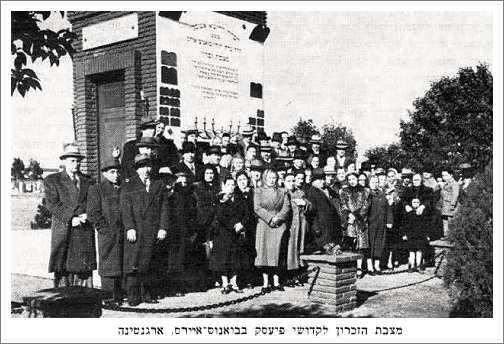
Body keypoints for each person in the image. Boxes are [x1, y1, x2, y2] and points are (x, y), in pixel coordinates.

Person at [120, 153, 169, 306]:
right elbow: (125, 209)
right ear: (137, 169)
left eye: (148, 166)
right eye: (142, 167)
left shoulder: (158, 185)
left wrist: (163, 227)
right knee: (134, 263)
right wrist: (130, 228)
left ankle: (148, 293)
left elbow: (164, 209)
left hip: (153, 230)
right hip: (137, 230)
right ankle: (133, 295)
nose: (146, 170)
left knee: (150, 263)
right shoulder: (129, 185)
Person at [44, 143, 96, 288]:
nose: (76, 164)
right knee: (63, 268)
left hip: (83, 230)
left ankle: (85, 303)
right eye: (72, 160)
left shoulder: (89, 180)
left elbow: (94, 201)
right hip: (64, 229)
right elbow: (53, 204)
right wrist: (71, 218)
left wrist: (89, 214)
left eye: (78, 160)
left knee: (83, 270)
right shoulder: (52, 180)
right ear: (64, 161)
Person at [87, 157, 123, 305]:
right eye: (112, 172)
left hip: (123, 232)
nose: (116, 175)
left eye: (118, 171)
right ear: (105, 173)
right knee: (109, 263)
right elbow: (93, 213)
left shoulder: (124, 188)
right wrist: (105, 230)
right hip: (107, 234)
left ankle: (120, 294)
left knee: (121, 262)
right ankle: (108, 296)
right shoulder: (97, 189)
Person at [209, 177, 250, 294]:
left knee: (235, 258)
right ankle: (225, 283)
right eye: (229, 184)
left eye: (233, 184)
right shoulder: (219, 199)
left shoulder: (240, 198)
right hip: (223, 233)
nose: (231, 187)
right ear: (224, 185)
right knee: (223, 258)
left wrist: (241, 224)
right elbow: (220, 215)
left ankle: (234, 282)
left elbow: (247, 213)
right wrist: (234, 225)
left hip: (237, 233)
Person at [254, 169, 291, 292]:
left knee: (277, 253)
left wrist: (278, 218)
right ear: (264, 178)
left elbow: (286, 207)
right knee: (264, 254)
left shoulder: (283, 191)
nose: (272, 180)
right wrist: (270, 218)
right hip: (264, 225)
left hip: (278, 226)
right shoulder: (258, 191)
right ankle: (265, 283)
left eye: (274, 177)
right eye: (269, 177)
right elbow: (257, 208)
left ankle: (276, 281)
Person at [193, 165, 220, 289]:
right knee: (202, 254)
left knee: (214, 253)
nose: (210, 175)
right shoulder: (198, 187)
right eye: (207, 173)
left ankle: (215, 279)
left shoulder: (217, 188)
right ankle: (202, 282)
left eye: (212, 173)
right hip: (202, 225)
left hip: (214, 224)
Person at [339, 172, 370, 278]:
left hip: (361, 221)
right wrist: (349, 216)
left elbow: (366, 206)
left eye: (354, 178)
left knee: (361, 246)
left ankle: (359, 268)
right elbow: (343, 205)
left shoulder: (365, 191)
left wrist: (355, 216)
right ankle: (350, 268)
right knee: (350, 244)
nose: (352, 181)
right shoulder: (343, 191)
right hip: (350, 222)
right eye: (350, 179)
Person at [304, 168, 341, 254]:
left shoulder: (322, 191)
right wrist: (316, 228)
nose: (322, 181)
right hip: (320, 229)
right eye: (320, 179)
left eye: (323, 179)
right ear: (313, 181)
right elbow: (311, 213)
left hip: (326, 227)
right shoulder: (311, 192)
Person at [284, 172, 312, 286]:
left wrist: (304, 203)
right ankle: (288, 277)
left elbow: (311, 206)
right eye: (289, 181)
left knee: (298, 250)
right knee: (289, 251)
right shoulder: (283, 193)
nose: (292, 183)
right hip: (289, 226)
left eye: (293, 181)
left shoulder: (300, 193)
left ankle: (297, 276)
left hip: (300, 226)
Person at [401, 173, 433, 272]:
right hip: (410, 221)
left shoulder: (428, 190)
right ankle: (411, 264)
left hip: (422, 221)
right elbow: (403, 200)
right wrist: (406, 205)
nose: (416, 181)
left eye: (418, 179)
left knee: (420, 245)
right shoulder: (407, 190)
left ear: (422, 180)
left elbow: (430, 201)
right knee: (411, 246)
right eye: (414, 179)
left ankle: (420, 264)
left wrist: (423, 206)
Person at [234, 171, 258, 289]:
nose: (242, 182)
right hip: (237, 227)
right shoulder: (235, 193)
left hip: (250, 227)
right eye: (240, 180)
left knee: (250, 253)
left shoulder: (252, 193)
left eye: (244, 180)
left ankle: (250, 279)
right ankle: (239, 279)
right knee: (239, 254)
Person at [367, 175, 393, 275]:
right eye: (373, 182)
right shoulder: (367, 194)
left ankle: (377, 266)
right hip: (370, 224)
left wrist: (389, 221)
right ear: (369, 183)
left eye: (377, 182)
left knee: (379, 244)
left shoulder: (382, 195)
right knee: (370, 245)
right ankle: (370, 267)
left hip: (381, 224)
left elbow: (388, 209)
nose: (375, 184)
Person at [440, 167, 460, 238]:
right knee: (445, 220)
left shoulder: (454, 183)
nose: (443, 177)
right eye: (442, 175)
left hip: (450, 205)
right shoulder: (445, 183)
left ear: (451, 175)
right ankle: (446, 235)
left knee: (451, 220)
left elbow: (455, 194)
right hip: (445, 205)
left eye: (445, 175)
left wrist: (452, 204)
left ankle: (452, 236)